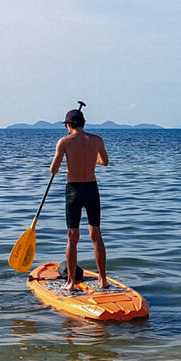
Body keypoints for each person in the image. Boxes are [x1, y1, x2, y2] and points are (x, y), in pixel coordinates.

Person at [49, 102, 109, 292]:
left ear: (68, 125)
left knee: (72, 237)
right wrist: (90, 158)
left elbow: (54, 169)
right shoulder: (97, 140)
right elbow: (104, 162)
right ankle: (102, 280)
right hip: (92, 188)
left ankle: (71, 282)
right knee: (96, 235)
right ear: (83, 123)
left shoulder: (64, 142)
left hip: (73, 190)